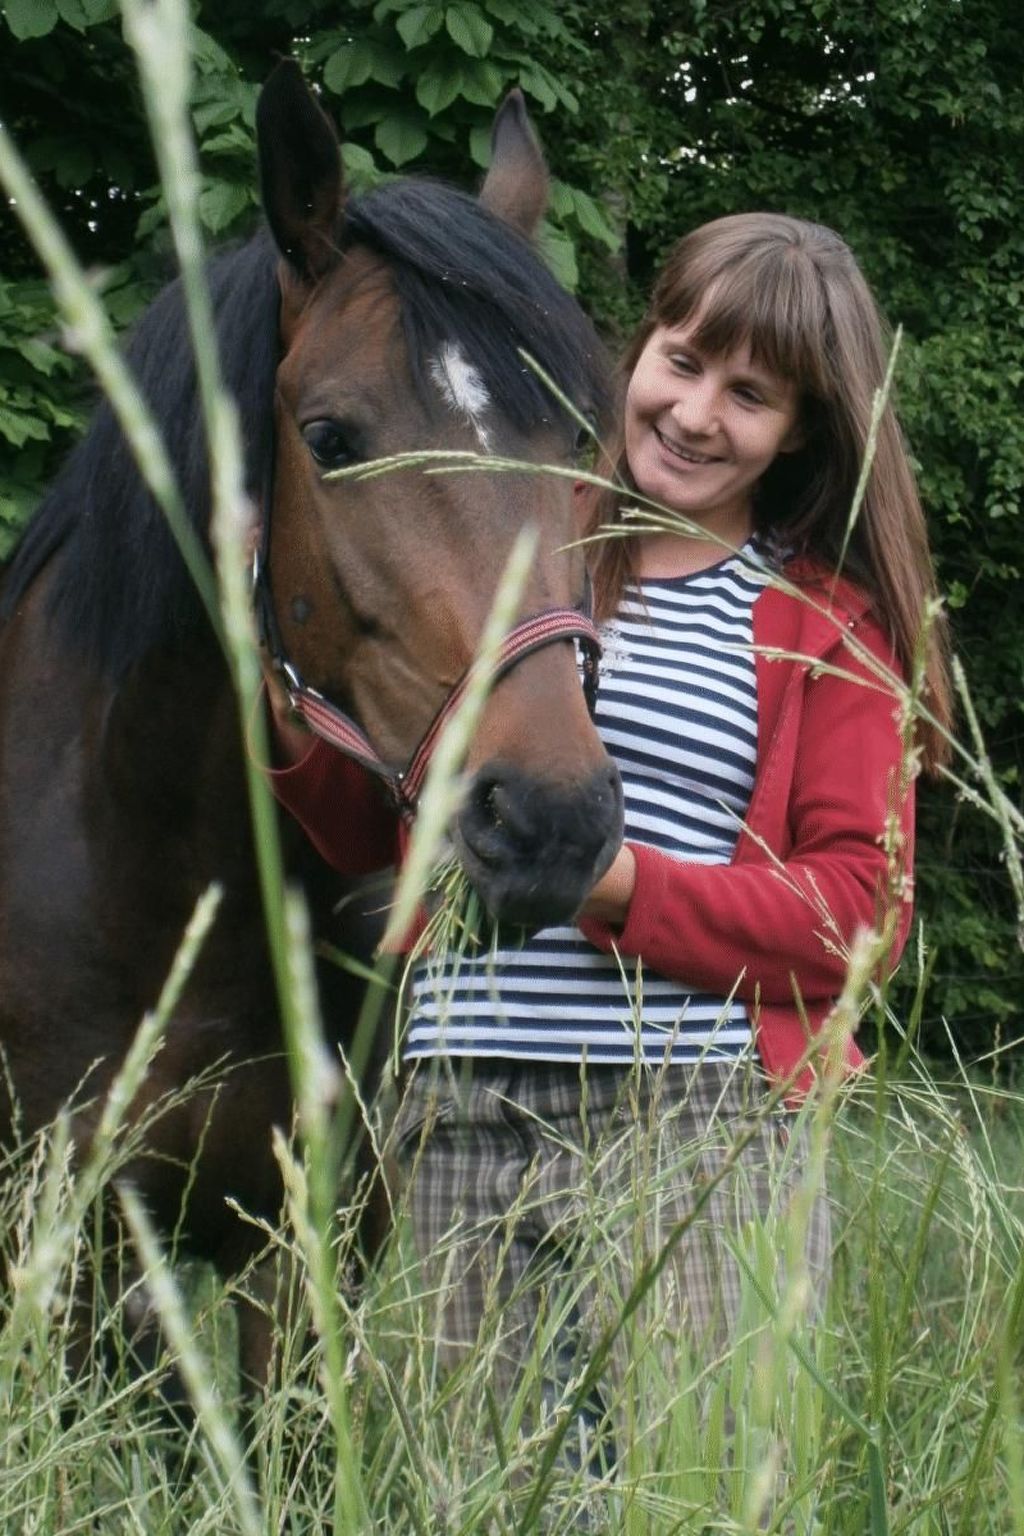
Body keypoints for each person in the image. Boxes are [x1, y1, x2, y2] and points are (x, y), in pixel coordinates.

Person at [265, 212, 951, 1479]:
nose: (695, 412)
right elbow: (386, 833)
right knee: (473, 1488)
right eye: (681, 360)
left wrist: (618, 884)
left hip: (699, 1120)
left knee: (692, 1488)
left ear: (800, 428)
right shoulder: (516, 543)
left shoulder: (826, 623)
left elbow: (858, 915)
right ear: (636, 349)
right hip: (459, 1098)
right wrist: (286, 713)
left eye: (749, 394)